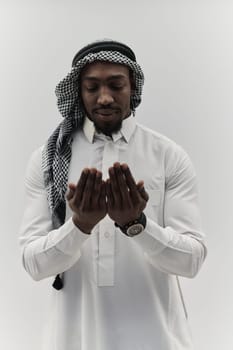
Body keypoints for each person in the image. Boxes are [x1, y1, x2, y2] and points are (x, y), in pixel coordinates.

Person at [19, 39, 207, 350]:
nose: (104, 97)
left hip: (158, 339)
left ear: (133, 87)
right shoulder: (48, 160)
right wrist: (78, 227)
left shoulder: (167, 155)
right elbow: (34, 265)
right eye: (92, 87)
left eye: (116, 85)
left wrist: (138, 225)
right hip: (72, 340)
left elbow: (192, 262)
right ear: (79, 92)